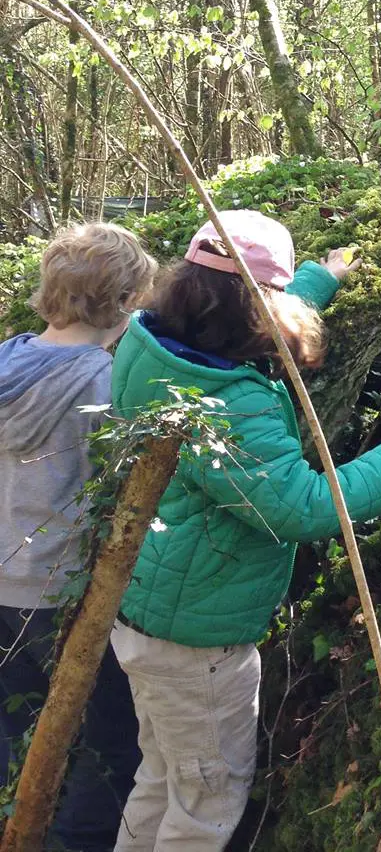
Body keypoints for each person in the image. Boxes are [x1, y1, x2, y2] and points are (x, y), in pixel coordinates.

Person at [109, 209, 381, 852]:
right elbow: (298, 506)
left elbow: (239, 303)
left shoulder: (153, 345)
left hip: (149, 612)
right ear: (256, 306)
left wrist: (318, 280)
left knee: (162, 773)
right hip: (199, 641)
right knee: (209, 796)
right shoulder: (229, 401)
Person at [0, 222, 157, 851]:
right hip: (61, 593)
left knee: (13, 729)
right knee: (107, 741)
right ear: (121, 305)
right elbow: (117, 493)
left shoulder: (7, 359)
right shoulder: (102, 385)